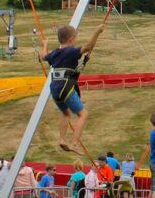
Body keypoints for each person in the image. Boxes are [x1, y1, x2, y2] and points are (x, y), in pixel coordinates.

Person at [39, 23, 105, 153]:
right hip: (66, 86)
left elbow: (43, 56)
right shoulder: (70, 51)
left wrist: (45, 44)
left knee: (66, 113)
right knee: (83, 114)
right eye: (75, 38)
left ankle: (62, 139)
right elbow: (88, 46)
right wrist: (97, 32)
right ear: (71, 39)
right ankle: (74, 144)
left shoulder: (55, 53)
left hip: (55, 89)